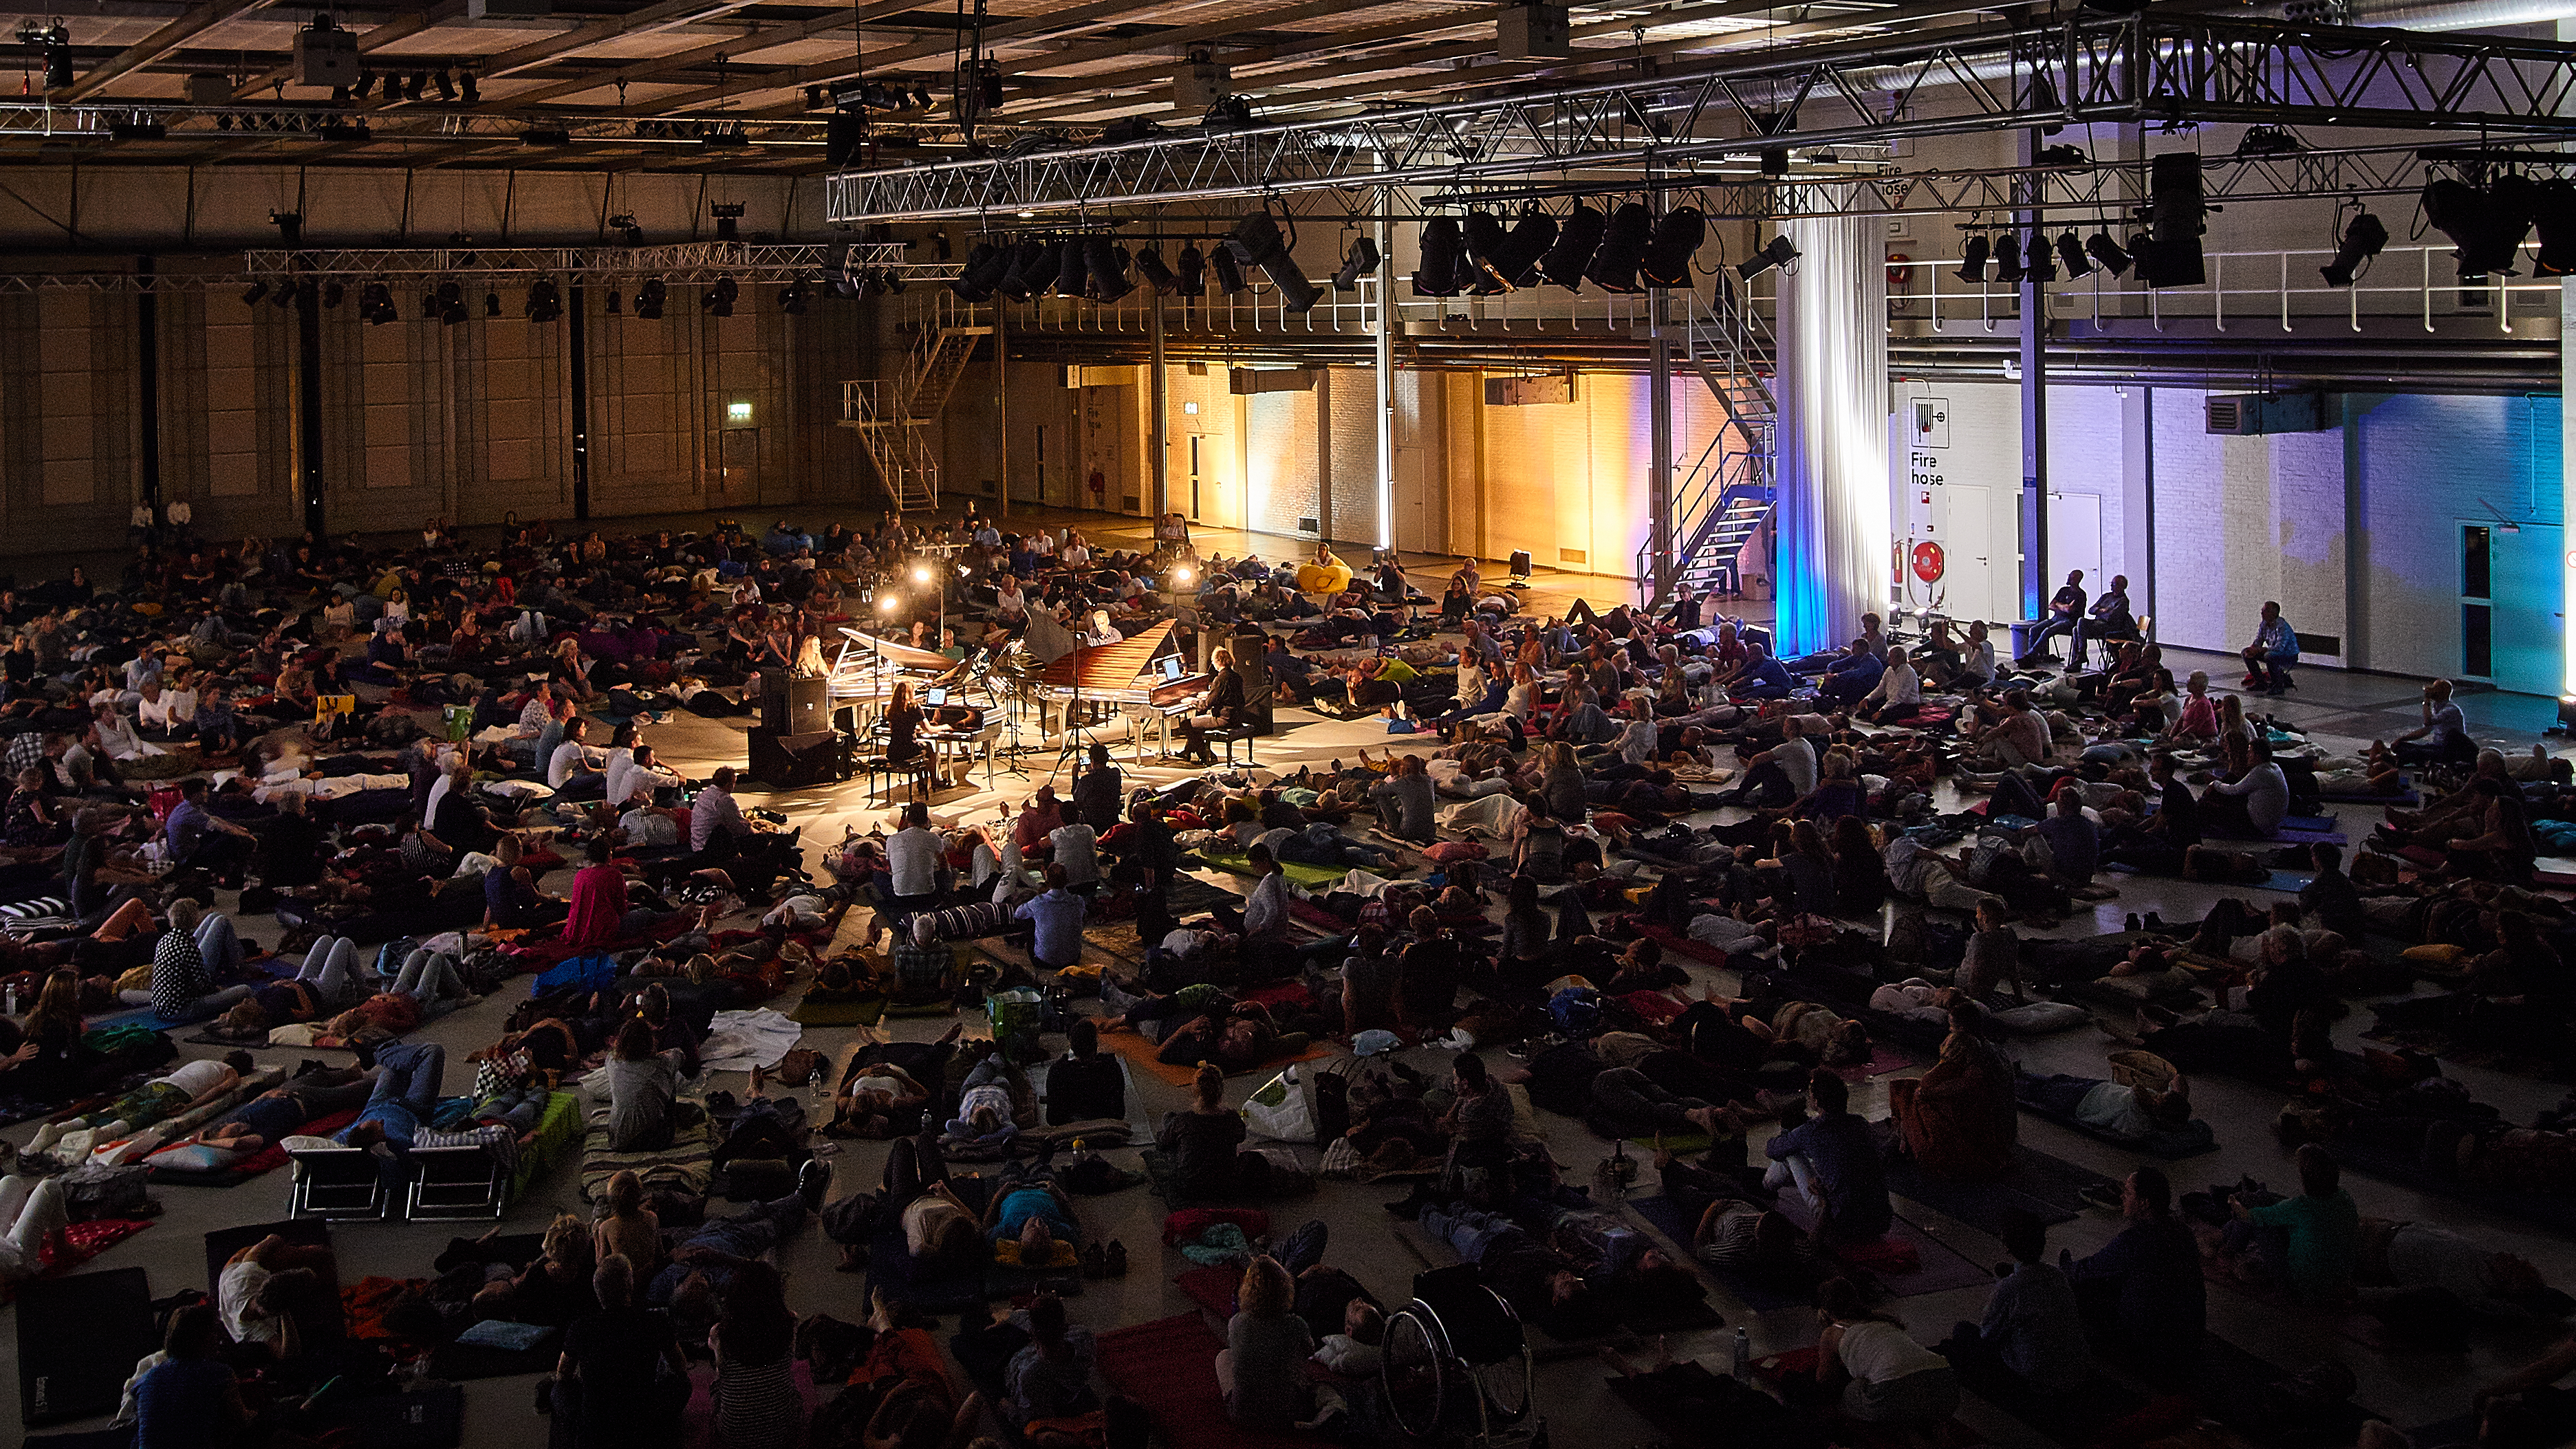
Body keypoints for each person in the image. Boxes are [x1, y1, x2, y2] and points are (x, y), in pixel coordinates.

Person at [2065, 1166, 2203, 1373]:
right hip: (2190, 1335)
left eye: (2128, 1193)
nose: (2122, 1197)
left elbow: (2089, 1270)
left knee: (2076, 1292)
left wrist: (2060, 1272)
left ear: (2144, 1203)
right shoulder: (2183, 1232)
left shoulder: (2136, 1240)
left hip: (2149, 1344)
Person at [1944, 1211, 2092, 1396]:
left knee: (1962, 1330)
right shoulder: (2058, 1276)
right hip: (2077, 1371)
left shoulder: (2010, 1288)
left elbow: (1988, 1334)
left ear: (2007, 1247)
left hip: (2038, 1379)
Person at [1764, 1070, 1891, 1243]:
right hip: (1881, 1219)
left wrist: (1784, 1128)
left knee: (1791, 1154)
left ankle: (1765, 1189)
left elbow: (1772, 1150)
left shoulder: (1810, 1132)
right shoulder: (1860, 1123)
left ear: (1816, 1102)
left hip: (1841, 1223)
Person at [2227, 1142, 2358, 1308]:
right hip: (2340, 1278)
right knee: (2268, 1205)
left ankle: (2230, 1248)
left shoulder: (2300, 1207)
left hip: (2300, 1289)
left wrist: (2234, 1202)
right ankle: (2234, 1226)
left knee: (2256, 1217)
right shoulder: (2344, 1198)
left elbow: (2249, 1216)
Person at [1815, 1276, 1959, 1426]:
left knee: (1851, 1392)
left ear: (1825, 1311)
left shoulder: (1832, 1333)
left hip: (1893, 1391)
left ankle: (1908, 1429)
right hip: (1946, 1384)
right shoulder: (1885, 1321)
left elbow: (1824, 1378)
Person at [1218, 1256, 1341, 1429]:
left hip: (1242, 1415)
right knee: (1322, 1389)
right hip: (1286, 1413)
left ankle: (1236, 1398)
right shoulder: (1296, 1324)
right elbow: (1309, 1352)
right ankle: (1321, 1419)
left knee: (1223, 1357)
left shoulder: (1237, 1322)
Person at [711, 1260, 801, 1449]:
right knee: (794, 1393)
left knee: (717, 1386)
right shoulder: (790, 1323)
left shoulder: (720, 1333)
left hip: (733, 1437)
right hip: (784, 1435)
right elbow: (788, 1361)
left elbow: (721, 1372)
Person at [132, 1305, 246, 1449]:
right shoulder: (219, 1374)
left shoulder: (147, 1379)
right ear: (204, 1338)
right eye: (214, 1332)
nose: (219, 1339)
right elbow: (243, 1420)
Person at [607, 1019, 697, 1153]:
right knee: (669, 1081)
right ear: (650, 1042)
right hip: (653, 1141)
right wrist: (659, 1055)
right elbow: (680, 1054)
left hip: (616, 1139)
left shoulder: (611, 1061)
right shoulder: (662, 1064)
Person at [2202, 739, 2291, 840]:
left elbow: (2234, 790)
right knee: (2228, 783)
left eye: (2250, 752)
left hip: (2258, 826)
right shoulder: (2274, 767)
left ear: (2257, 755)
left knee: (2206, 806)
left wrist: (2215, 784)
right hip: (2271, 824)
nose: (2247, 755)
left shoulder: (2260, 772)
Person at [1044, 1018, 1125, 1125]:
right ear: (1095, 1045)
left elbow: (1053, 1118)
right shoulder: (1112, 1069)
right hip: (1104, 1130)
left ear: (1071, 1045)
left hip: (1069, 1130)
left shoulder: (1058, 1071)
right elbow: (1118, 1113)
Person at [1017, 862, 1087, 976]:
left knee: (1030, 920)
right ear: (1067, 881)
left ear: (1047, 881)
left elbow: (1018, 914)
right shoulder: (1078, 901)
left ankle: (1042, 952)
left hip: (1044, 962)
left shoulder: (1038, 902)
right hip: (1072, 960)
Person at [2393, 678, 2476, 767]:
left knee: (2417, 752)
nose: (2432, 690)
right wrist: (2402, 739)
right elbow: (2426, 730)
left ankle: (2397, 760)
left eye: (2436, 688)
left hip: (2446, 750)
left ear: (2443, 692)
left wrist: (2426, 701)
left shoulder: (2451, 710)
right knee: (2403, 746)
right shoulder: (2436, 708)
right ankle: (2410, 759)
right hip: (2436, 746)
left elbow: (2428, 722)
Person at [2070, 574, 2137, 673]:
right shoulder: (2106, 596)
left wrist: (2100, 612)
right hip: (2099, 624)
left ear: (2122, 586)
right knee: (2076, 629)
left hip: (2111, 628)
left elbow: (2112, 617)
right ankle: (2077, 661)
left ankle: (2081, 654)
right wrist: (2102, 611)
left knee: (2081, 622)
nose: (2111, 586)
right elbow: (2091, 610)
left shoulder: (2123, 601)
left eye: (2114, 584)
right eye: (2112, 584)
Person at [2020, 569, 2086, 667]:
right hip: (2056, 618)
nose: (2068, 578)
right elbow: (2051, 606)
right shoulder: (2063, 590)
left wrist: (2059, 605)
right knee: (2034, 629)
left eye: (2071, 577)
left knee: (2048, 631)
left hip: (2069, 622)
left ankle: (2031, 656)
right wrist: (2063, 606)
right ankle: (2034, 657)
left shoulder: (2080, 594)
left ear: (2077, 579)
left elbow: (2069, 610)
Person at [2241, 600, 2299, 695]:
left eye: (2265, 610)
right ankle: (2260, 682)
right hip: (2274, 652)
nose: (2262, 612)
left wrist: (2259, 650)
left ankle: (2278, 686)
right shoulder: (2264, 624)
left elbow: (2279, 648)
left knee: (2270, 656)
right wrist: (2252, 649)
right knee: (2246, 653)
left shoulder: (2282, 627)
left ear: (2273, 614)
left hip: (2289, 656)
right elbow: (2258, 641)